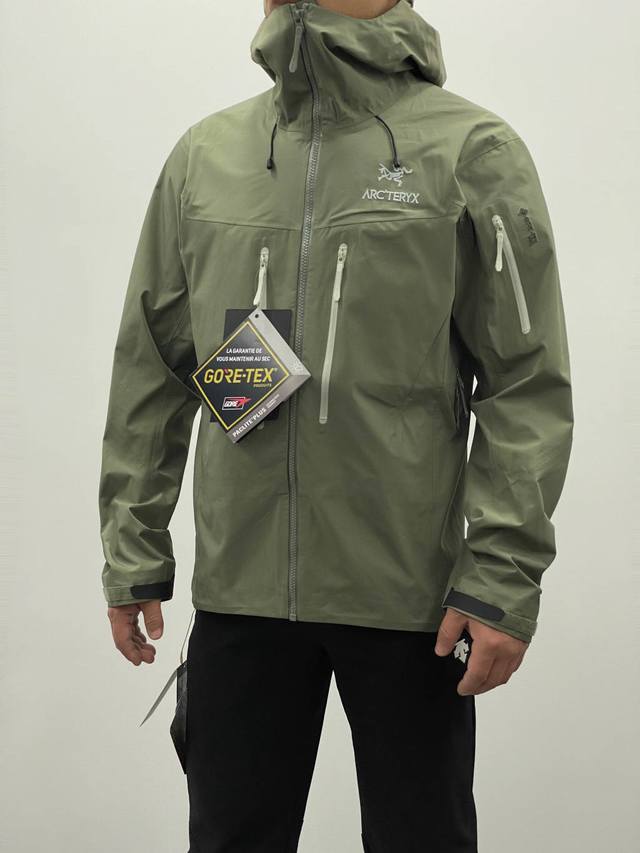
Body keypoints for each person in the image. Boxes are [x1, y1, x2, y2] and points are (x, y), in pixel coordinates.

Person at [98, 0, 573, 850]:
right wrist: (132, 547)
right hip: (241, 591)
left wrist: (502, 577)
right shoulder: (206, 156)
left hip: (410, 598)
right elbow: (154, 364)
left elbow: (524, 381)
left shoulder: (470, 151)